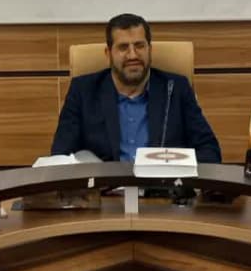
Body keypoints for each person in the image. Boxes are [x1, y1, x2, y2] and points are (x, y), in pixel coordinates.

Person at [51, 13, 221, 163]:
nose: (133, 55)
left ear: (150, 49)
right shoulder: (83, 91)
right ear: (108, 54)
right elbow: (61, 157)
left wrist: (174, 166)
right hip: (106, 188)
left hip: (162, 187)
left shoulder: (176, 89)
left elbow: (210, 152)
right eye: (123, 47)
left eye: (139, 46)